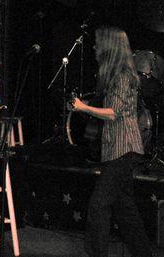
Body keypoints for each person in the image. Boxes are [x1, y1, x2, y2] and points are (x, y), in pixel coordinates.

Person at [72, 26, 153, 257]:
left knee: (98, 205)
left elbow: (113, 113)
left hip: (124, 148)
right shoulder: (116, 75)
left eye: (99, 44)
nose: (95, 48)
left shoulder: (122, 75)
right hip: (117, 149)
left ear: (110, 47)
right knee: (125, 207)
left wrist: (83, 107)